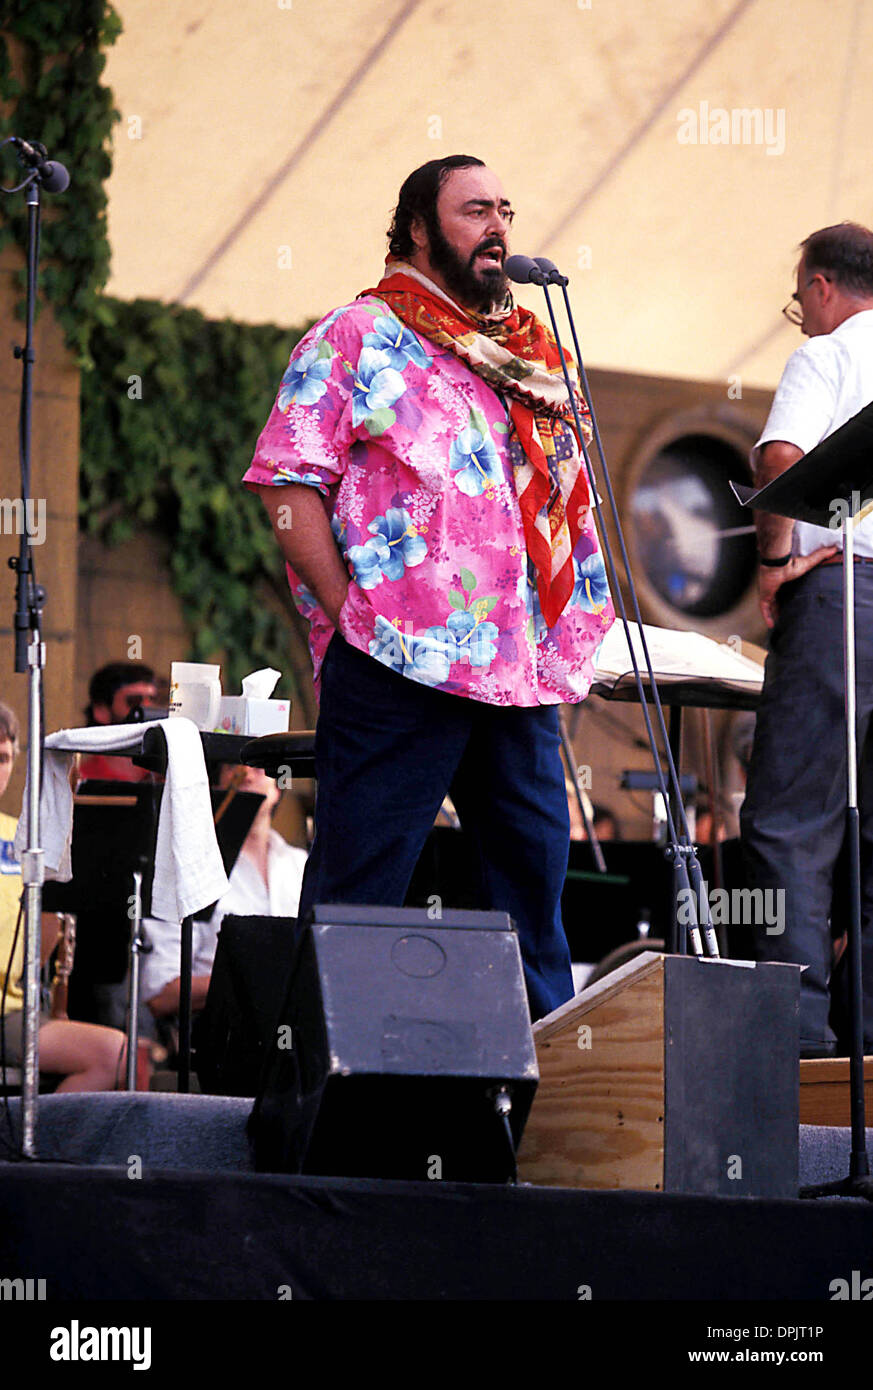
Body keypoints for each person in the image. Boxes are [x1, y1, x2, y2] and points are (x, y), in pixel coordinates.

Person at [244, 155, 615, 1020]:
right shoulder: (357, 334)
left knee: (529, 905)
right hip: (397, 660)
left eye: (504, 212)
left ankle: (532, 1121)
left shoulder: (526, 355)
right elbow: (287, 489)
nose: (496, 228)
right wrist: (357, 617)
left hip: (516, 670)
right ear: (417, 227)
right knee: (359, 892)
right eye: (473, 210)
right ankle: (312, 1124)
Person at [740, 222, 873, 1057]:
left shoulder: (831, 351)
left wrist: (776, 556)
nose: (801, 315)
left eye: (799, 299)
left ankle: (797, 1066)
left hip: (847, 599)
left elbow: (781, 454)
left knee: (792, 823)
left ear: (821, 286)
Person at [0, 700, 129, 1090]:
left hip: (15, 1009)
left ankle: (35, 1148)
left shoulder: (23, 835)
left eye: (4, 757)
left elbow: (38, 950)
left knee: (116, 1053)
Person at [143, 764, 307, 1022]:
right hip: (221, 1030)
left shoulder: (301, 865)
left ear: (278, 787)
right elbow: (161, 992)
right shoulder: (190, 866)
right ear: (217, 786)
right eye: (232, 765)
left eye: (258, 766)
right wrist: (261, 980)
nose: (245, 772)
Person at [77, 661, 158, 784]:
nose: (147, 708)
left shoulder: (166, 773)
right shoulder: (83, 777)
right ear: (101, 710)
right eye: (134, 701)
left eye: (152, 700)